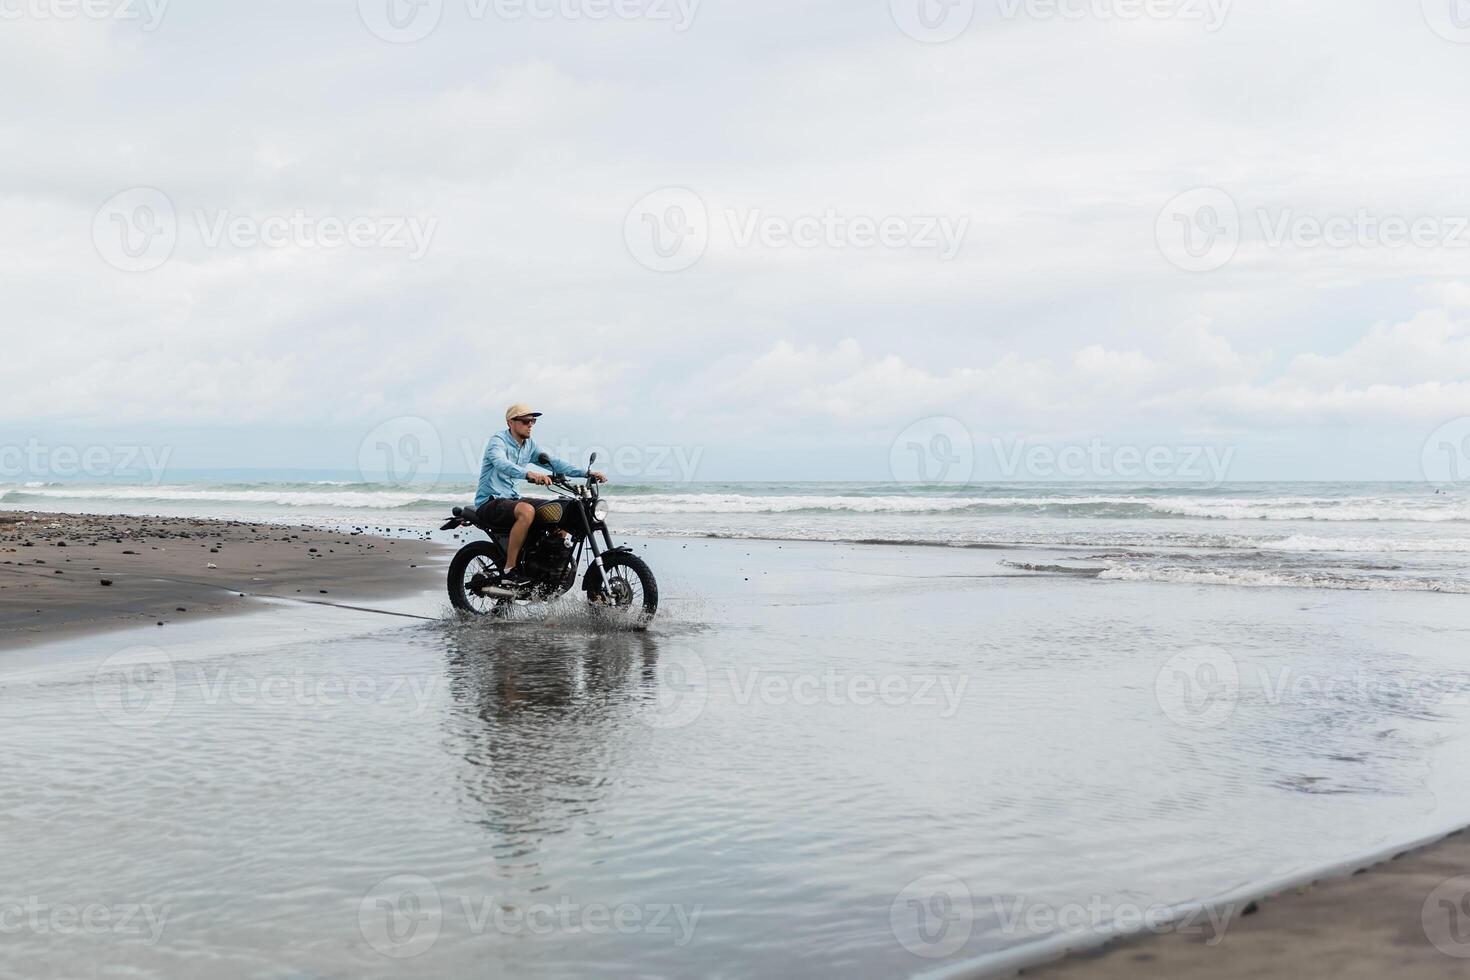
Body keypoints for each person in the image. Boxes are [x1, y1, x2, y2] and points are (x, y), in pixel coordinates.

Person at [474, 403, 607, 590]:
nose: (530, 425)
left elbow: (555, 464)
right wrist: (529, 474)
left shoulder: (529, 445)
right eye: (526, 421)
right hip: (490, 501)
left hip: (512, 499)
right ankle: (509, 570)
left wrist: (587, 474)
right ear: (511, 422)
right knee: (527, 511)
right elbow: (501, 463)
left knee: (563, 509)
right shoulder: (498, 441)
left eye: (533, 421)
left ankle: (550, 565)